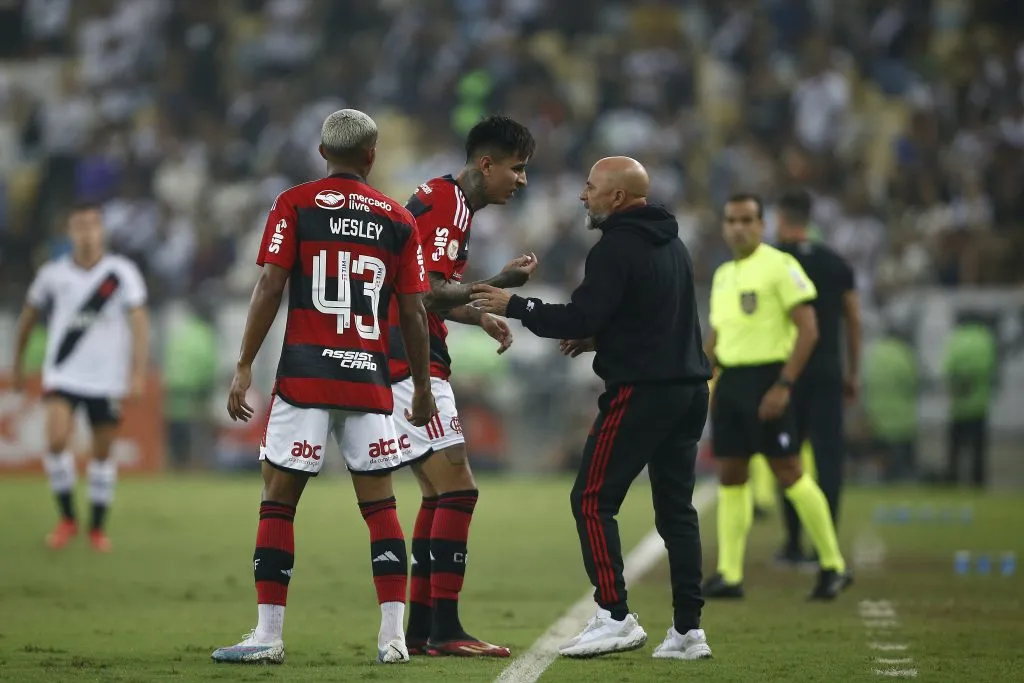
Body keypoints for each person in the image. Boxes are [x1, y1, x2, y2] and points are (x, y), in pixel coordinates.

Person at [211, 109, 437, 666]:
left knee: (278, 504)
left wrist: (244, 364)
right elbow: (413, 312)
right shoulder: (396, 219)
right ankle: (393, 640)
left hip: (306, 377)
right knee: (381, 506)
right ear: (371, 155)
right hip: (369, 379)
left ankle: (268, 636)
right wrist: (424, 384)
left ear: (321, 153)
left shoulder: (294, 203)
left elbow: (270, 284)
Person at [471, 156, 715, 661]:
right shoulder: (673, 243)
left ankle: (614, 616)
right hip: (688, 389)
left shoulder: (615, 248)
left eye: (591, 187)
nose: (584, 196)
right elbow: (648, 313)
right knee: (676, 511)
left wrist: (514, 305)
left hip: (641, 391)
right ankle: (689, 632)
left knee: (591, 500)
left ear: (618, 198)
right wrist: (600, 336)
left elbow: (581, 313)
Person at [388, 115, 537, 657]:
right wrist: (499, 284)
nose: (522, 181)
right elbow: (423, 295)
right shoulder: (449, 205)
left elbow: (426, 288)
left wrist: (481, 315)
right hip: (409, 355)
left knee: (437, 492)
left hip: (403, 349)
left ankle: (423, 631)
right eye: (517, 169)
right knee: (459, 489)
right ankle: (446, 630)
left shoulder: (444, 200)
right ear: (487, 164)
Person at [702, 193, 850, 600]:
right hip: (731, 383)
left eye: (748, 219)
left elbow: (810, 329)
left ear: (763, 225)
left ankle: (833, 565)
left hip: (769, 379)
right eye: (732, 220)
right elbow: (717, 333)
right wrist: (702, 376)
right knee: (732, 475)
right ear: (724, 226)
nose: (739, 227)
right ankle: (730, 575)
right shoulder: (724, 275)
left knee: (788, 471)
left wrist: (784, 385)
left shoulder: (782, 266)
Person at [13, 202, 150, 553]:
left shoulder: (121, 273)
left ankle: (97, 528)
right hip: (64, 373)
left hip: (106, 379)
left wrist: (137, 371)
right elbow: (28, 317)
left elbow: (139, 323)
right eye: (79, 226)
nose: (87, 233)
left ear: (101, 229)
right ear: (69, 232)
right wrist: (17, 363)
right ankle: (67, 519)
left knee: (102, 455)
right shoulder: (53, 274)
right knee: (56, 440)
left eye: (92, 225)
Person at [773, 188, 861, 565]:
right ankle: (826, 544)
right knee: (828, 459)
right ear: (809, 220)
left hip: (786, 372)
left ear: (780, 219)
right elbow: (853, 320)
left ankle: (793, 544)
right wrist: (852, 371)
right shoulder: (835, 264)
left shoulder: (772, 263)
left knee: (787, 455)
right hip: (827, 370)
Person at [942, 315, 997, 487]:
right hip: (979, 405)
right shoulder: (985, 339)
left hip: (958, 406)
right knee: (978, 451)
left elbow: (947, 368)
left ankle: (952, 481)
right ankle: (977, 483)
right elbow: (991, 368)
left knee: (955, 450)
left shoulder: (956, 339)